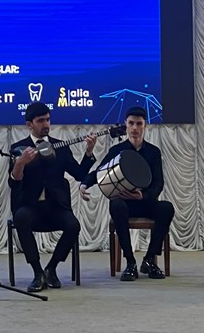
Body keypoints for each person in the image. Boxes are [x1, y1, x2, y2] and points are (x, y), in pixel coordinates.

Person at [9, 102, 97, 292]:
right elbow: (14, 184)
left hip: (56, 206)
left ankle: (51, 268)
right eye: (41, 121)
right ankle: (37, 272)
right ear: (29, 124)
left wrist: (89, 152)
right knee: (21, 218)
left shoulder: (60, 147)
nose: (46, 124)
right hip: (30, 207)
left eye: (48, 120)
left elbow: (80, 174)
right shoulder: (18, 148)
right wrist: (20, 163)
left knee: (73, 225)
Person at [79, 106, 174, 281]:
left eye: (139, 124)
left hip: (145, 202)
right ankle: (130, 262)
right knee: (116, 205)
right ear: (126, 125)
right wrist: (85, 184)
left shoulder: (153, 152)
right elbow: (100, 172)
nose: (135, 128)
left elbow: (158, 183)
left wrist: (143, 196)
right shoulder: (117, 150)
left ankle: (149, 260)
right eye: (131, 123)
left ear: (145, 125)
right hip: (125, 204)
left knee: (166, 208)